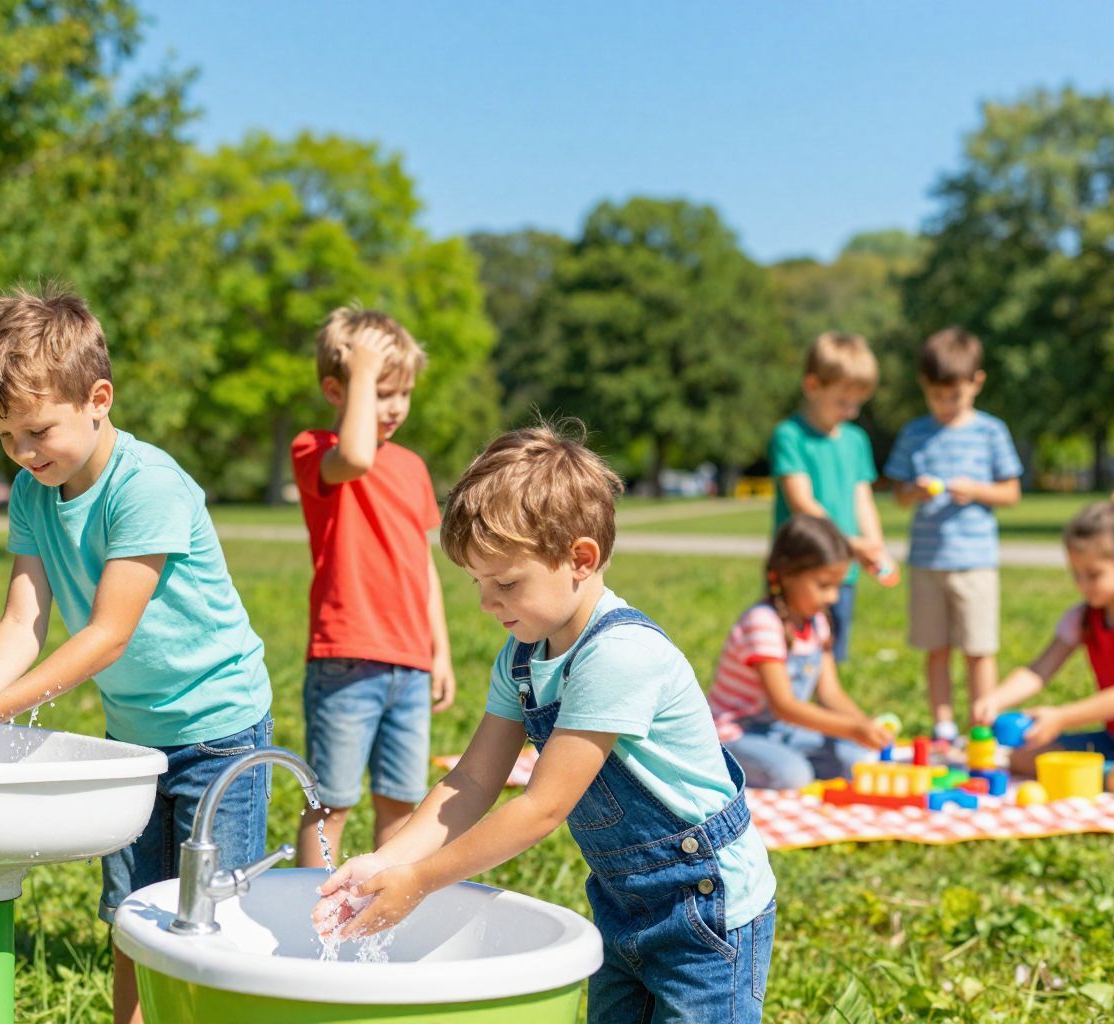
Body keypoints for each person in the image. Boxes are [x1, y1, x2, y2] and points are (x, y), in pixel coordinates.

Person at [314, 424, 777, 1023]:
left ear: (581, 559)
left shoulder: (619, 656)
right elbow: (470, 781)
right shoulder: (523, 659)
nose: (487, 602)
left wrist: (421, 879)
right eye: (479, 582)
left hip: (705, 912)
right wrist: (387, 862)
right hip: (622, 902)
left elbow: (542, 807)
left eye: (506, 583)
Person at [0, 283, 273, 1024]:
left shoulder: (147, 486)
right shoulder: (31, 492)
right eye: (6, 437)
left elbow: (109, 634)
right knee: (133, 917)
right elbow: (22, 620)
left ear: (97, 398)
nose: (22, 452)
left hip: (220, 730)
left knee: (215, 924)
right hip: (134, 736)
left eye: (37, 431)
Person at [291, 306, 456, 868]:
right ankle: (306, 914)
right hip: (346, 660)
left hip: (408, 666)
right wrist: (362, 368)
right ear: (335, 390)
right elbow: (356, 456)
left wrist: (439, 651)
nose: (395, 407)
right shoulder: (314, 449)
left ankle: (382, 914)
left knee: (401, 807)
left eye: (403, 393)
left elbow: (421, 564)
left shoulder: (412, 467)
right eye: (381, 392)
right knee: (330, 806)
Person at [974, 493, 1114, 795]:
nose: (1083, 585)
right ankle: (1108, 775)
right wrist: (996, 698)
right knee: (1022, 757)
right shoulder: (1083, 617)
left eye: (1093, 575)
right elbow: (1038, 670)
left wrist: (1061, 718)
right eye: (1077, 574)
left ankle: (1108, 776)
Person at [884, 327, 1022, 742]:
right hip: (927, 562)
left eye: (955, 396)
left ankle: (982, 726)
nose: (946, 405)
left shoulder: (991, 431)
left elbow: (1011, 492)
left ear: (976, 382)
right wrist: (915, 491)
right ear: (924, 385)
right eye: (937, 396)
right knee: (936, 648)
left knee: (979, 649)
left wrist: (976, 490)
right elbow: (898, 496)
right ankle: (943, 726)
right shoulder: (914, 434)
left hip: (975, 562)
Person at [710, 515, 894, 789]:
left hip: (786, 731)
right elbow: (783, 706)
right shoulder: (763, 623)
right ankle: (720, 767)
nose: (833, 597)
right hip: (737, 734)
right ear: (785, 575)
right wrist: (852, 729)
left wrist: (865, 725)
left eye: (837, 586)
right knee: (794, 775)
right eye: (823, 585)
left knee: (856, 758)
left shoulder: (817, 622)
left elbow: (830, 694)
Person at [769, 331, 890, 663]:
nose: (851, 412)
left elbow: (862, 499)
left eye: (857, 404)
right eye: (842, 402)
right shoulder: (790, 436)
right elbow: (801, 503)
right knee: (789, 651)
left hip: (840, 571)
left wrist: (874, 544)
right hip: (800, 570)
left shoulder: (856, 440)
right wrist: (850, 543)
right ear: (812, 386)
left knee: (831, 653)